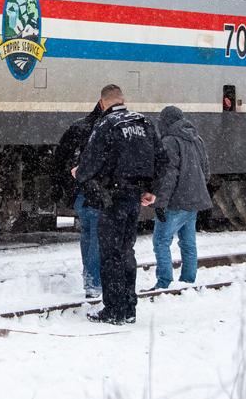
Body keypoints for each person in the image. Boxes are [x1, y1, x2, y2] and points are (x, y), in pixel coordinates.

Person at [75, 84, 162, 324]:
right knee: (127, 251)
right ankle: (129, 308)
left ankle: (113, 310)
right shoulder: (145, 123)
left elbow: (90, 162)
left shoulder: (105, 125)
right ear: (123, 99)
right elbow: (161, 159)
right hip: (134, 198)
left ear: (102, 103)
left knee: (110, 254)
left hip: (111, 198)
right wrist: (150, 189)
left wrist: (79, 173)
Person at [151, 105, 213, 290]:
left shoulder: (170, 141)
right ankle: (188, 279)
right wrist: (194, 188)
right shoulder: (196, 139)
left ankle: (164, 282)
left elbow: (169, 176)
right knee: (188, 242)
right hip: (193, 201)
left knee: (161, 241)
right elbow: (206, 171)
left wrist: (160, 203)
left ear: (166, 122)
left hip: (175, 201)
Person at [51, 99, 105, 297]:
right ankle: (94, 282)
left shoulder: (79, 127)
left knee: (88, 236)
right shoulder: (109, 131)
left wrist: (60, 185)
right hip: (100, 194)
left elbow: (60, 158)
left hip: (83, 194)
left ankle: (90, 279)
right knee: (98, 238)